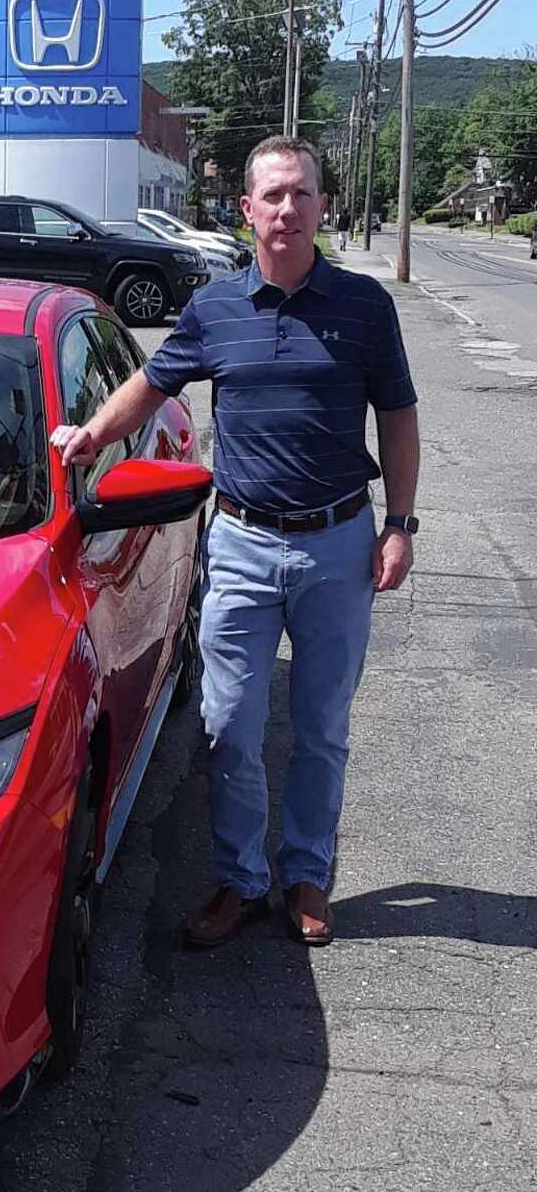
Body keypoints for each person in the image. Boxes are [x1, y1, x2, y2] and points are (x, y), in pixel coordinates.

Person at [51, 136, 420, 950]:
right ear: (246, 210)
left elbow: (397, 415)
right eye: (272, 196)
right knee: (227, 720)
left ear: (323, 206)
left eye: (302, 194)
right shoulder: (215, 308)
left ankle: (305, 876)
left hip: (337, 544)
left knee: (322, 725)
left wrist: (399, 523)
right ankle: (240, 880)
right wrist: (92, 435)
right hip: (245, 545)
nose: (287, 209)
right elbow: (153, 384)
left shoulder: (363, 307)